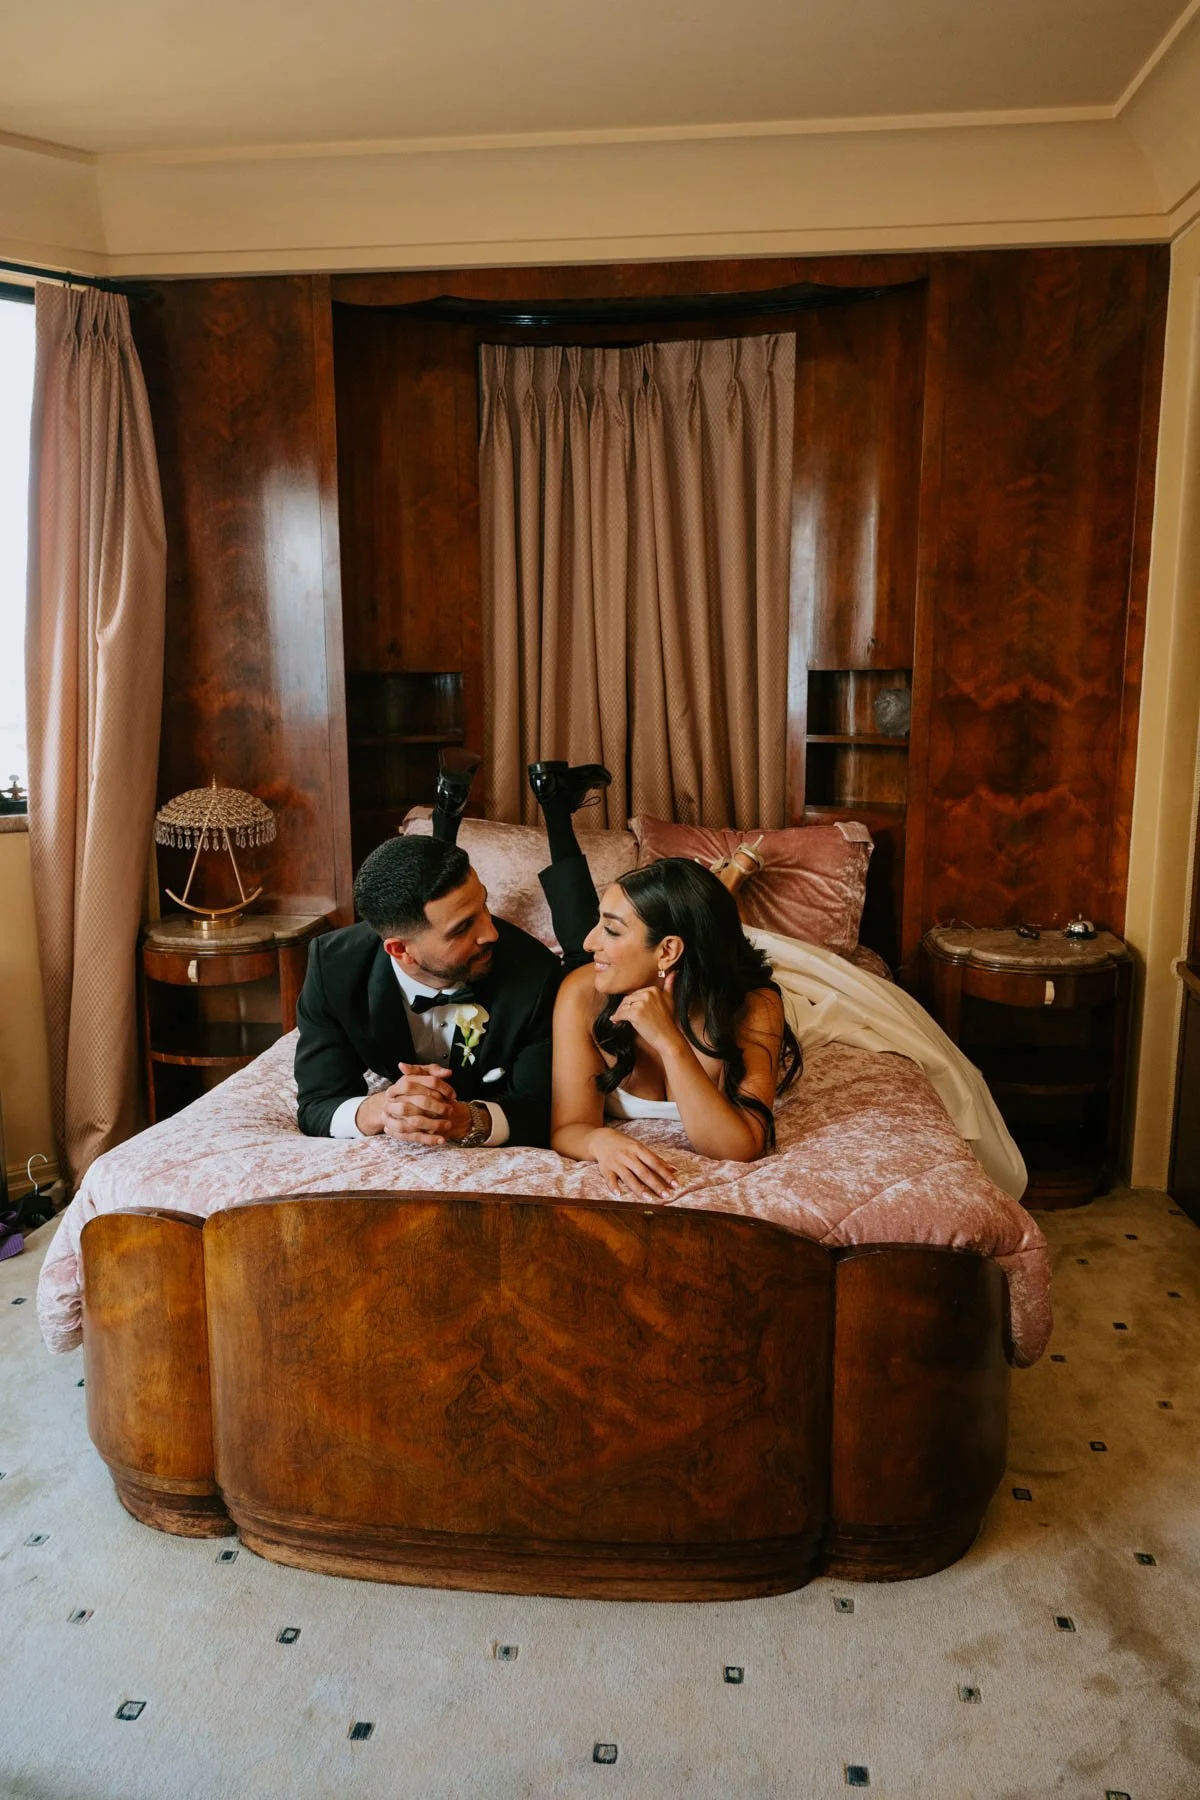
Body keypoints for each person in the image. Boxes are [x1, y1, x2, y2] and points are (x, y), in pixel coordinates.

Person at [550, 859, 801, 1199]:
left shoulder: (755, 1006)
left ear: (667, 950)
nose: (588, 942)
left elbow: (739, 1147)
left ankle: (730, 880)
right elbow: (568, 1127)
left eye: (611, 930)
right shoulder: (582, 994)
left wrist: (669, 1042)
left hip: (717, 986)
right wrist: (599, 1140)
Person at [294, 833, 559, 1148]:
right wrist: (382, 1109)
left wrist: (464, 1119)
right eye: (462, 928)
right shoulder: (334, 967)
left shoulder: (536, 973)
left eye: (484, 905)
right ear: (400, 950)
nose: (490, 933)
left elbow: (540, 1109)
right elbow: (317, 1102)